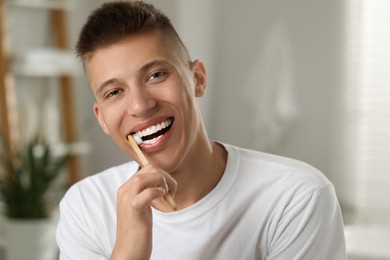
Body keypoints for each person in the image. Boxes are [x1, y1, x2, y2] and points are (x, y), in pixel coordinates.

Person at [56, 1, 346, 259]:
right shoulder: (86, 207)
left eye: (156, 75)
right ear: (102, 118)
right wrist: (129, 252)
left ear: (198, 79)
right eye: (114, 92)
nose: (140, 105)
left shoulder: (296, 197)